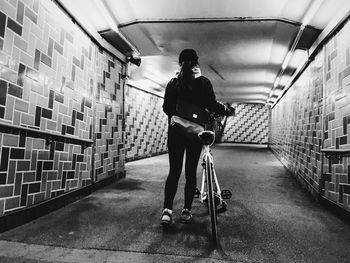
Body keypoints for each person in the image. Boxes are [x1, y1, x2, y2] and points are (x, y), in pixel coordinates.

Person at [161, 49, 234, 225]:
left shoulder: (173, 83)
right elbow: (212, 105)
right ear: (196, 62)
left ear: (180, 62)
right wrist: (226, 110)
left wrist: (179, 118)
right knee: (190, 172)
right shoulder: (203, 82)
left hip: (176, 132)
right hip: (195, 133)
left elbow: (166, 108)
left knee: (174, 172)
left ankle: (167, 212)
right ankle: (186, 211)